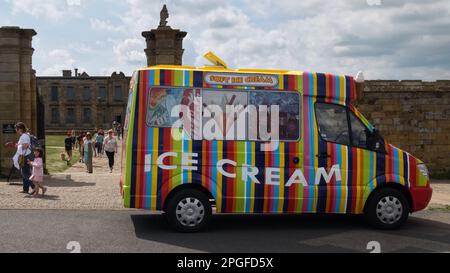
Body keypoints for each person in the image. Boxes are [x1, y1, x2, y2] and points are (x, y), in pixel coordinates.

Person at [12, 122, 35, 194]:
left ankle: (34, 188)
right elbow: (23, 145)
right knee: (24, 172)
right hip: (25, 155)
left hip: (26, 155)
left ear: (20, 129)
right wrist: (18, 145)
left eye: (17, 129)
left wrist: (18, 145)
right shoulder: (24, 135)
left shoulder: (24, 136)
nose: (16, 130)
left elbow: (25, 146)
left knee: (26, 173)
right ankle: (25, 189)